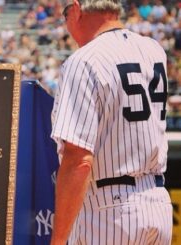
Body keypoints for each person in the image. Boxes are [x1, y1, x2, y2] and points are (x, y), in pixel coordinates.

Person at [50, 0, 172, 244]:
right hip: (158, 202)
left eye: (65, 16)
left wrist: (58, 240)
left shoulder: (83, 60)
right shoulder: (153, 49)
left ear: (75, 9)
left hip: (108, 212)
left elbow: (79, 161)